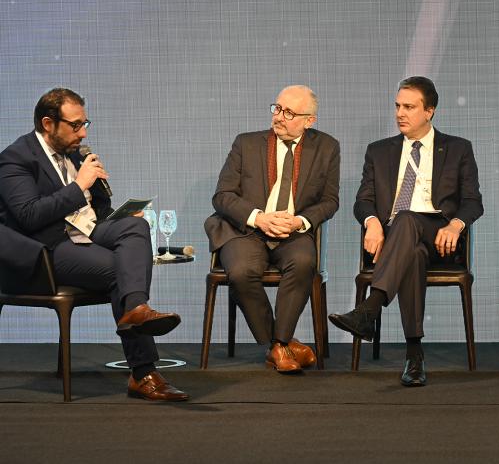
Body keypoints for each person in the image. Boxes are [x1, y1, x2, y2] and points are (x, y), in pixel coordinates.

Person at [0, 88, 188, 400]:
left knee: (135, 225)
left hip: (83, 233)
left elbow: (95, 213)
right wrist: (79, 185)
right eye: (75, 125)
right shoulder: (15, 159)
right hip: (45, 250)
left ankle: (137, 310)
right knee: (120, 270)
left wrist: (109, 202)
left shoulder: (76, 153)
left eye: (86, 124)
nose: (83, 132)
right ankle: (143, 372)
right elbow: (29, 216)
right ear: (48, 123)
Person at [330, 76, 482, 387]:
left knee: (409, 218)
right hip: (396, 239)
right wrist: (372, 221)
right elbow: (364, 200)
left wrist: (456, 224)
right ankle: (415, 356)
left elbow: (472, 202)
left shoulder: (457, 148)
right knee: (411, 251)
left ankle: (370, 309)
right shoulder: (379, 151)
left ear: (430, 111)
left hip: (441, 235)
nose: (400, 113)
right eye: (398, 106)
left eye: (409, 107)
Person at [205, 85, 339, 373]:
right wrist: (258, 217)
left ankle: (278, 344)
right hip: (247, 230)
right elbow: (222, 196)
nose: (278, 117)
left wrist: (300, 221)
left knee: (304, 261)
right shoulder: (246, 143)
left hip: (292, 230)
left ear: (309, 120)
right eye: (277, 108)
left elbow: (329, 201)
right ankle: (281, 345)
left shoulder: (326, 147)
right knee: (241, 272)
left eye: (288, 112)